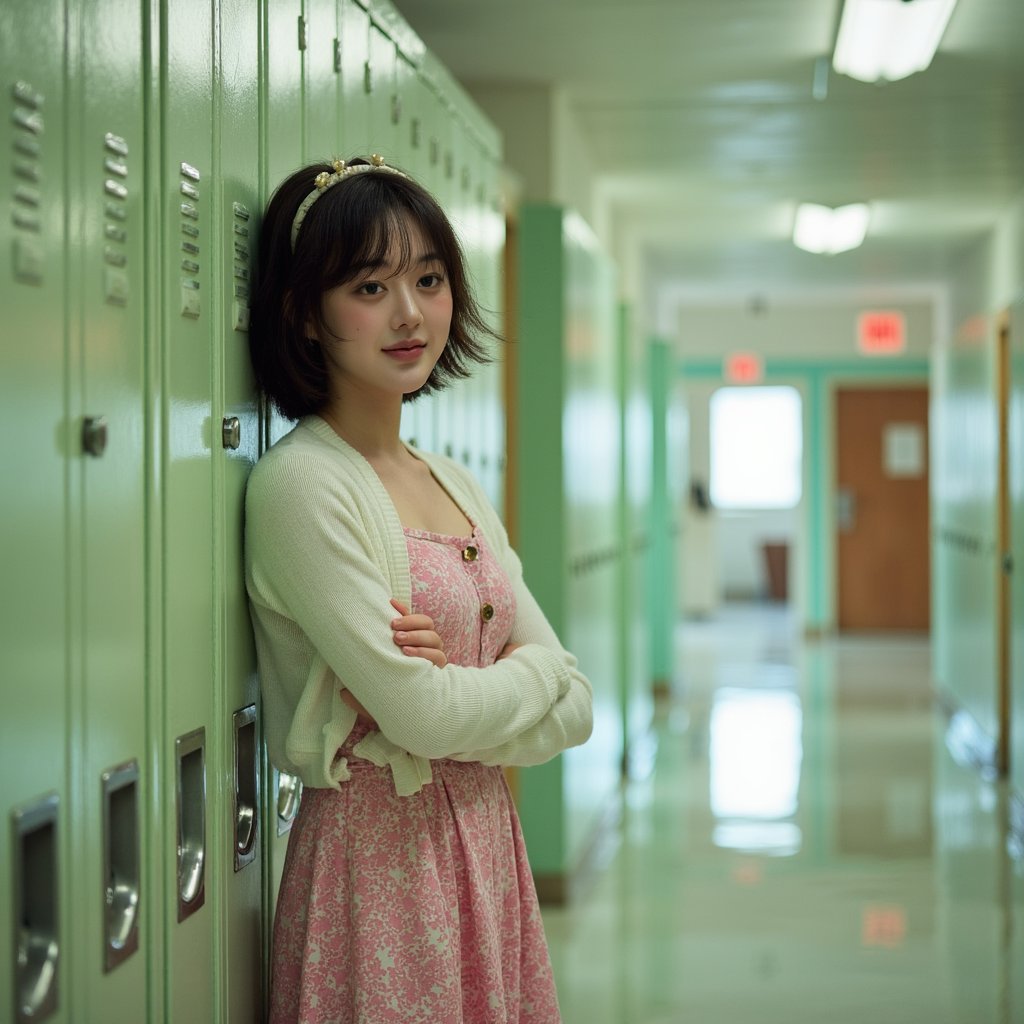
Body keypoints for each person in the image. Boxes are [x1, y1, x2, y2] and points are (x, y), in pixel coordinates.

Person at [245, 154, 594, 1024]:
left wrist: (489, 686)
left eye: (429, 280)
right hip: (377, 869)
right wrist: (525, 676)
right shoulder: (302, 486)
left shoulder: (450, 479)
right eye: (370, 287)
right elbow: (426, 719)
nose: (410, 314)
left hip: (484, 843)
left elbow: (578, 703)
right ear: (305, 313)